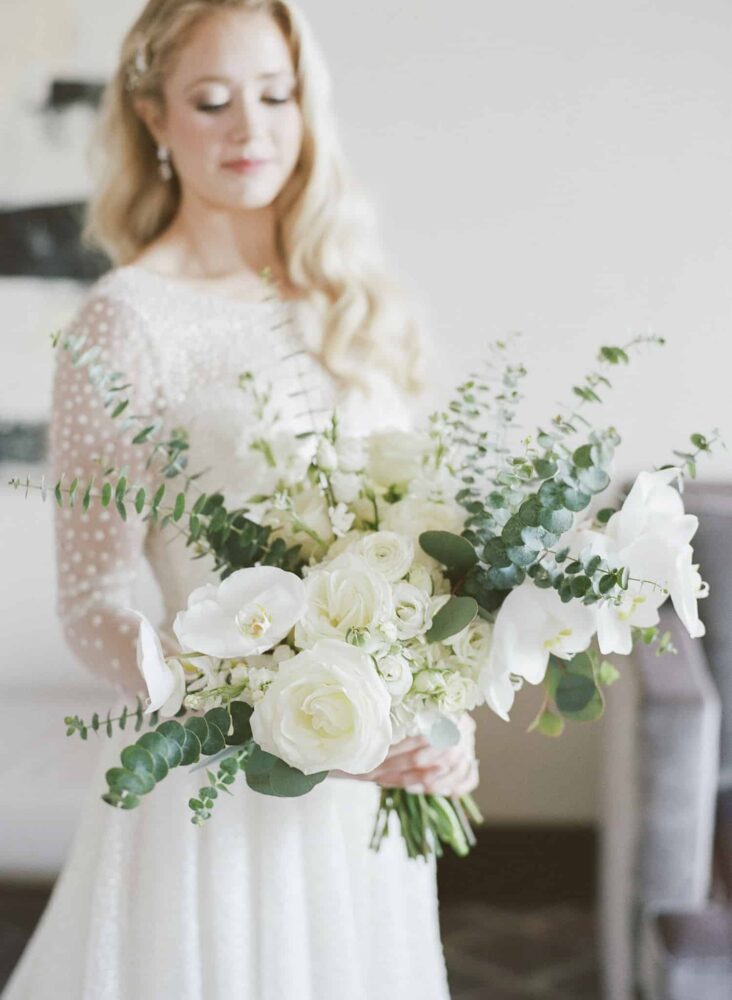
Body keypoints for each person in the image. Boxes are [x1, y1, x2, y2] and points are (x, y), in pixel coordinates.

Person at [2, 2, 478, 997]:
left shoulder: (351, 293)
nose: (250, 130)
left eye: (276, 95)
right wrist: (266, 710)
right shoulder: (122, 323)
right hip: (215, 797)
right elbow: (93, 601)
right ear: (153, 118)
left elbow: (421, 544)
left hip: (368, 807)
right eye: (212, 101)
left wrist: (439, 718)